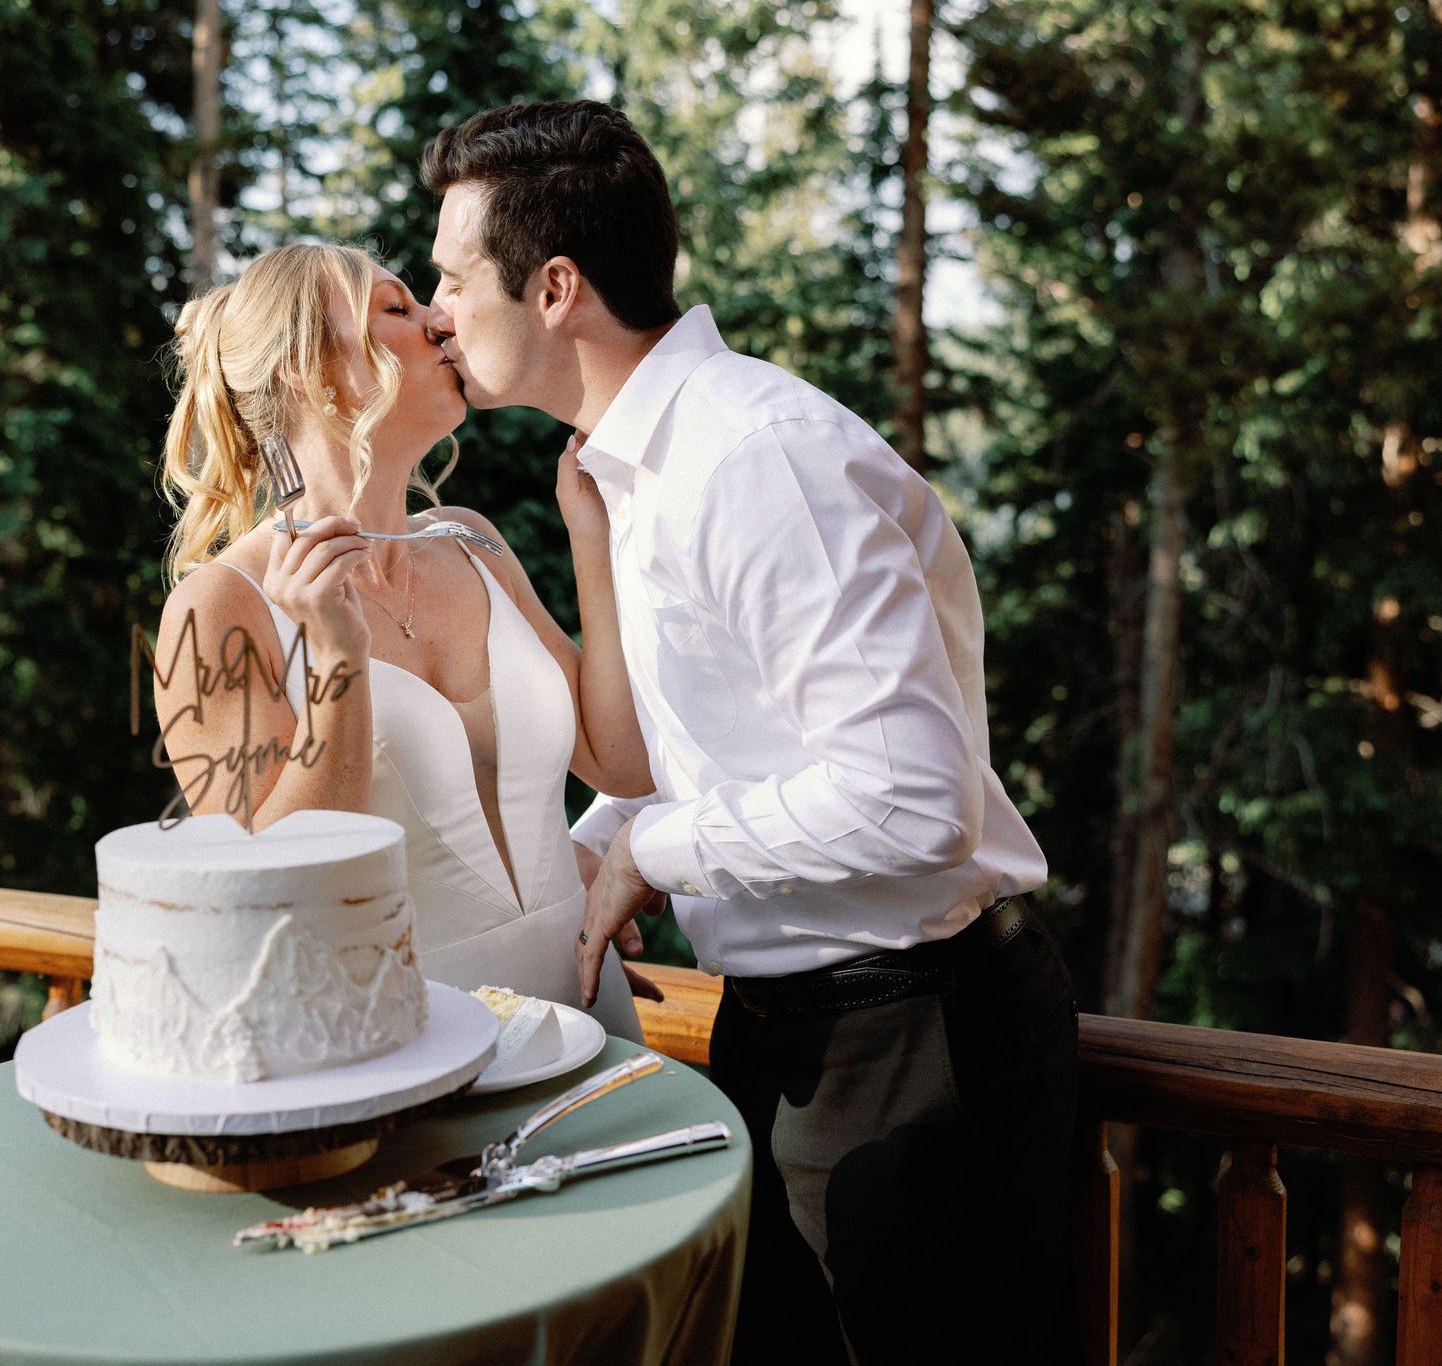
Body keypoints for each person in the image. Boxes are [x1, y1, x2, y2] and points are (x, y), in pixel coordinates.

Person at [421, 101, 1078, 1363]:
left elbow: (910, 798)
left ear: (554, 287)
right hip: (790, 1031)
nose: (435, 304)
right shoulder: (637, 473)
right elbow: (723, 748)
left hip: (912, 1043)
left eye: (452, 276)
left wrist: (654, 854)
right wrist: (583, 857)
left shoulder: (755, 459)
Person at [151, 241, 651, 1043]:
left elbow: (619, 759)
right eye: (399, 309)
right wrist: (336, 660)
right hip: (411, 1049)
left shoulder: (471, 541)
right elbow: (272, 888)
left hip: (593, 1017)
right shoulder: (218, 608)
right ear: (306, 370)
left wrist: (593, 540)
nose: (442, 320)